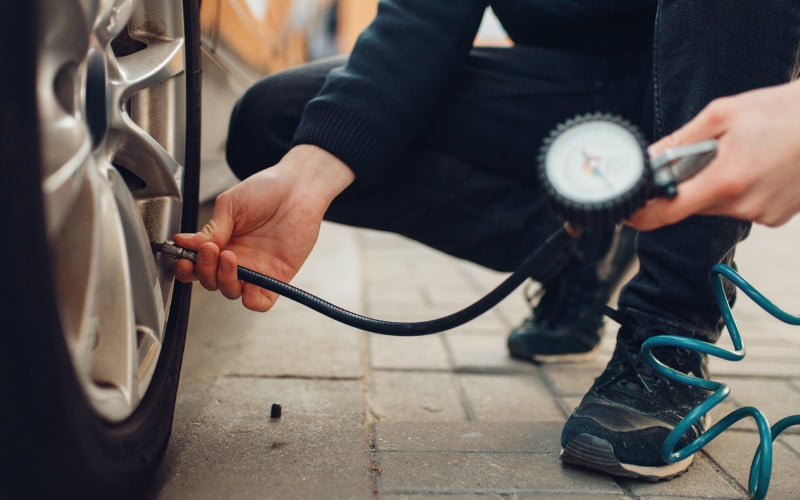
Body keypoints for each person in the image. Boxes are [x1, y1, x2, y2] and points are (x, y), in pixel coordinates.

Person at [174, 1, 800, 481]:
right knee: (276, 119)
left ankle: (670, 333)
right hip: (577, 94)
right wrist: (306, 179)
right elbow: (421, 20)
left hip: (726, 80)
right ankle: (577, 250)